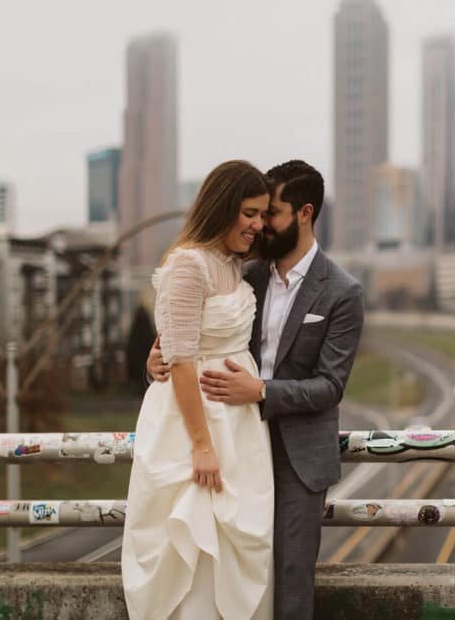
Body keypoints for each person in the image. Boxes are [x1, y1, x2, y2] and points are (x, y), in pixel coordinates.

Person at [148, 159, 364, 619]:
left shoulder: (343, 292)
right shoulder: (247, 274)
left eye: (274, 214)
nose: (263, 225)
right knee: (226, 576)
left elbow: (330, 386)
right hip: (235, 445)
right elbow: (196, 340)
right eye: (257, 214)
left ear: (305, 214)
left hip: (298, 458)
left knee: (287, 581)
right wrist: (158, 363)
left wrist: (261, 392)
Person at [124, 160, 274, 619]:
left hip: (240, 428)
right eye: (249, 212)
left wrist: (159, 352)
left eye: (263, 214)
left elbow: (174, 340)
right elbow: (183, 360)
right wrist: (202, 446)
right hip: (192, 428)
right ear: (223, 206)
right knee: (195, 552)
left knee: (239, 543)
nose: (258, 225)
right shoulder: (187, 266)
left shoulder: (232, 264)